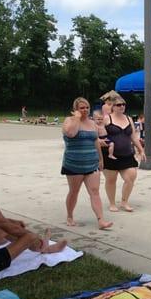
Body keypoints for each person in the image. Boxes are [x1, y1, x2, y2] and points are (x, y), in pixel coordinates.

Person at [62, 97, 113, 230]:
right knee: (74, 191)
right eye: (81, 108)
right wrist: (77, 119)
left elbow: (96, 141)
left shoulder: (92, 123)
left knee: (95, 191)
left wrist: (101, 159)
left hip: (91, 163)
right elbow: (71, 133)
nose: (85, 110)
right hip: (74, 163)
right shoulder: (69, 121)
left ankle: (101, 220)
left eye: (87, 107)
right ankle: (69, 216)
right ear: (75, 110)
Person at [103, 95, 145, 213]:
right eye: (119, 105)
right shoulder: (107, 119)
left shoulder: (128, 119)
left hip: (127, 154)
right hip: (111, 155)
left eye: (123, 104)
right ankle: (112, 203)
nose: (122, 106)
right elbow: (100, 133)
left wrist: (141, 150)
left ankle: (124, 201)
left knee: (131, 177)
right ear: (113, 107)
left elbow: (133, 136)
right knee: (111, 180)